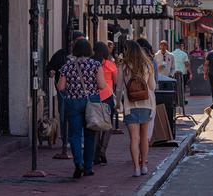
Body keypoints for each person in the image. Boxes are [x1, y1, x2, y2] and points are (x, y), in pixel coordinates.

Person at [57, 39, 108, 178]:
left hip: (73, 102)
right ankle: (88, 167)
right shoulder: (95, 65)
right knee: (90, 135)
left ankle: (78, 163)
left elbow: (60, 87)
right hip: (91, 101)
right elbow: (102, 85)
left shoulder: (67, 66)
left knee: (75, 135)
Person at [116, 40, 157, 177]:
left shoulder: (124, 65)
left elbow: (119, 87)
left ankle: (136, 168)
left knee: (134, 138)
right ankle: (144, 165)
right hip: (146, 104)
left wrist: (117, 102)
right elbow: (152, 87)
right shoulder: (148, 65)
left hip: (130, 105)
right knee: (144, 137)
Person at [46, 30, 86, 158]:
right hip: (63, 93)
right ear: (72, 42)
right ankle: (66, 140)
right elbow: (50, 67)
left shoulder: (87, 57)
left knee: (81, 117)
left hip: (80, 93)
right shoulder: (61, 55)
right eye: (78, 41)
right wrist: (51, 71)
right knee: (64, 116)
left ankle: (78, 140)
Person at [93, 41, 117, 165]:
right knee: (107, 125)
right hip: (107, 97)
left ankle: (95, 153)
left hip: (95, 97)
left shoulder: (92, 64)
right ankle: (102, 150)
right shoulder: (110, 64)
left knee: (96, 125)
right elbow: (116, 80)